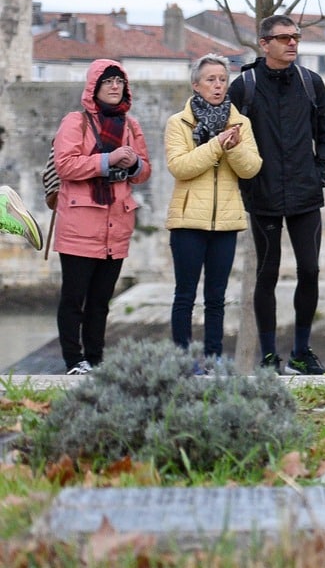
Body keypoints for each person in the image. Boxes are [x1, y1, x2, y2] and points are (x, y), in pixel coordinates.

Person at [230, 14, 325, 375]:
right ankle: (267, 357)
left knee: (310, 270)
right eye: (284, 38)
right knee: (267, 273)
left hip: (305, 193)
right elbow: (227, 140)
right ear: (264, 44)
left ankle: (300, 352)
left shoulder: (311, 83)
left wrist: (321, 172)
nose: (292, 43)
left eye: (296, 37)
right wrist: (248, 183)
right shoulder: (244, 85)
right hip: (262, 195)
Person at [52, 60, 152, 374]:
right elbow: (65, 166)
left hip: (116, 225)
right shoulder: (75, 122)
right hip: (80, 224)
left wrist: (133, 163)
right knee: (74, 299)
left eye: (119, 81)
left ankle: (96, 358)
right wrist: (108, 160)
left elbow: (144, 171)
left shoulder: (131, 125)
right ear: (94, 87)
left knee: (101, 300)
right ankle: (73, 360)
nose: (113, 86)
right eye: (107, 81)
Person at [164, 53, 262, 366]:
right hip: (188, 221)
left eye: (222, 79)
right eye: (211, 79)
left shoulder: (241, 123)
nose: (218, 85)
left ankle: (214, 358)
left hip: (226, 223)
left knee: (216, 298)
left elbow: (251, 168)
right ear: (196, 85)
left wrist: (231, 149)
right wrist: (217, 145)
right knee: (185, 296)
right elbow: (180, 167)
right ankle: (183, 359)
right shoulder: (178, 123)